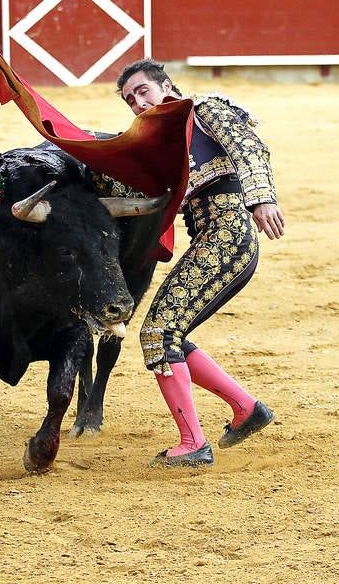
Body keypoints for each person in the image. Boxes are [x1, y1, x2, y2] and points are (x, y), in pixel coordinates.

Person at [116, 60, 282, 466]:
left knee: (158, 331)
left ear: (166, 86)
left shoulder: (202, 109)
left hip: (228, 232)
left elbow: (248, 147)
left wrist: (261, 197)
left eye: (142, 91)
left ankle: (193, 444)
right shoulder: (156, 143)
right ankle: (246, 408)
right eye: (129, 100)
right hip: (209, 239)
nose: (137, 103)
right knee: (166, 332)